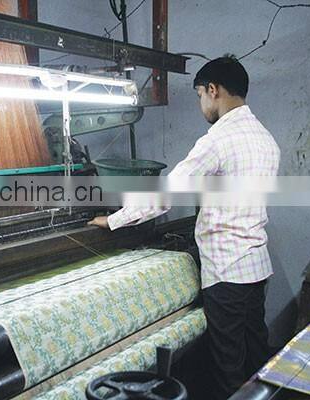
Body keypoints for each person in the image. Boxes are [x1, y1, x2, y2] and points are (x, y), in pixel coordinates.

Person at [88, 55, 280, 399]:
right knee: (256, 359)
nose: (201, 104)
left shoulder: (218, 140)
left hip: (227, 273)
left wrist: (114, 220)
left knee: (228, 370)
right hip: (256, 269)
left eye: (199, 96)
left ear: (213, 90)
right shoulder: (266, 140)